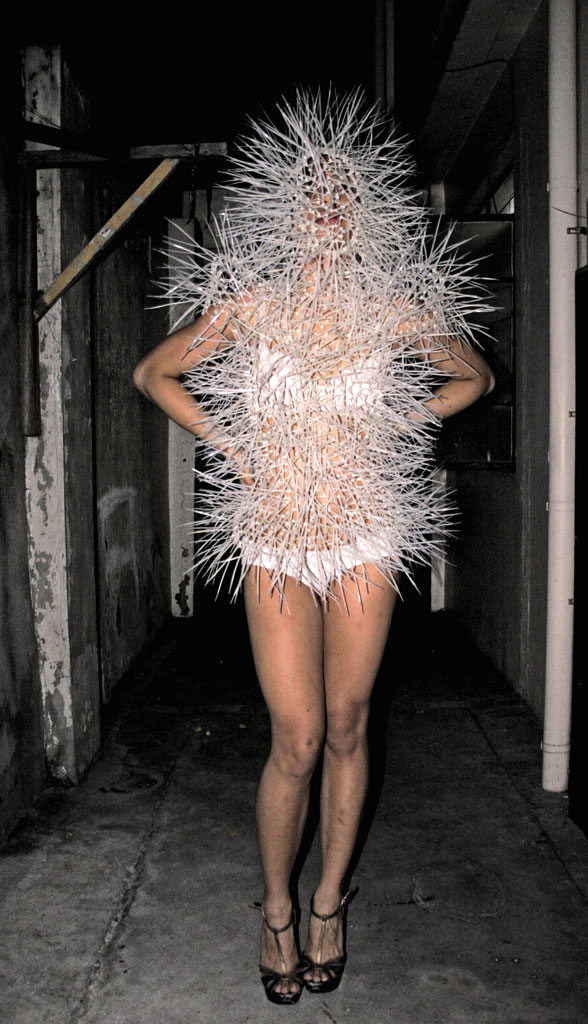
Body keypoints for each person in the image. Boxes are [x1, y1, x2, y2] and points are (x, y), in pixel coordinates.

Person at [133, 90, 495, 1005]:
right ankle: (276, 911)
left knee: (347, 723)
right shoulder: (251, 305)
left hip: (368, 530)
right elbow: (155, 373)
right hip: (275, 534)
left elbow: (474, 377)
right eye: (313, 196)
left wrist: (403, 422)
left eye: (343, 194)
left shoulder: (392, 307)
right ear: (289, 213)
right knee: (294, 737)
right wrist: (234, 444)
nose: (328, 208)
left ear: (363, 209)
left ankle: (330, 900)